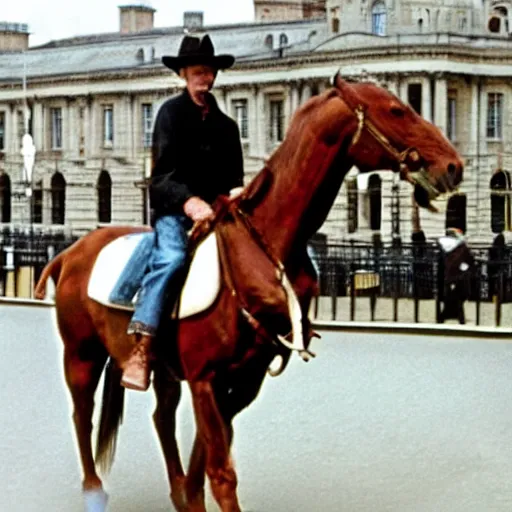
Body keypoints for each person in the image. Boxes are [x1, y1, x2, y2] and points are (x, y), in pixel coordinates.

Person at [121, 34, 244, 391]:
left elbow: (234, 179)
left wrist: (236, 195)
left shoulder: (227, 127)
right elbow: (159, 179)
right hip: (175, 212)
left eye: (208, 73)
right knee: (173, 259)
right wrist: (190, 202)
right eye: (197, 73)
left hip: (217, 215)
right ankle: (142, 349)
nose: (204, 79)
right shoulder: (170, 115)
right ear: (184, 75)